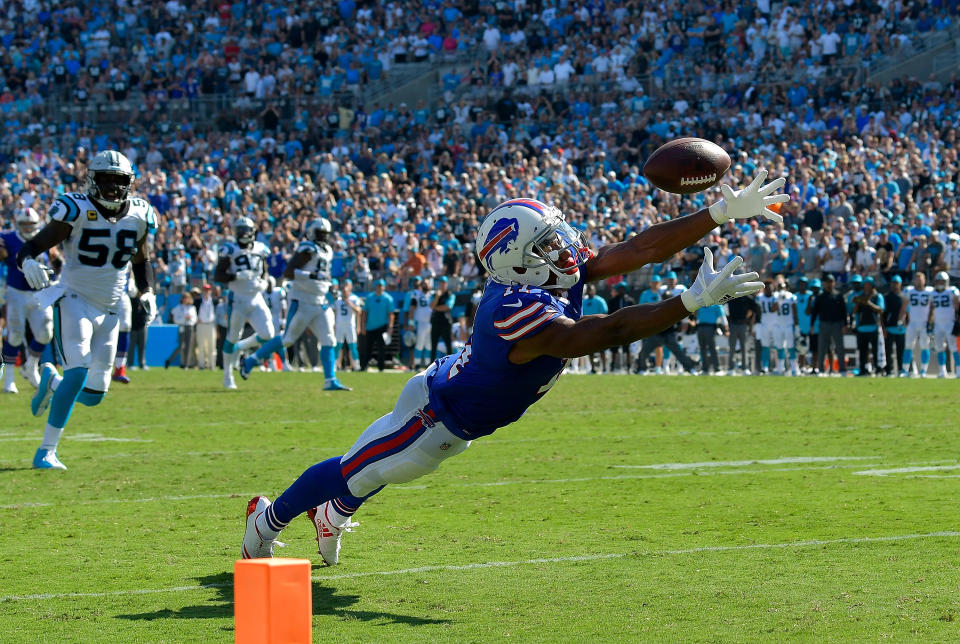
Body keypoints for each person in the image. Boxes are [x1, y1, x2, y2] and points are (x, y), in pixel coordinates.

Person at [241, 177, 786, 563]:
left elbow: (637, 248)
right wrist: (685, 304)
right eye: (548, 243)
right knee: (364, 468)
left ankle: (333, 514)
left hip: (452, 396)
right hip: (438, 417)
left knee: (373, 467)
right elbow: (601, 333)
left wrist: (716, 213)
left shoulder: (543, 275)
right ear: (520, 259)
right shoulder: (513, 307)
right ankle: (267, 520)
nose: (566, 248)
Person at [16, 150, 158, 470]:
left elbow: (142, 259)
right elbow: (35, 244)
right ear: (92, 180)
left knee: (93, 395)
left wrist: (147, 291)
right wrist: (26, 261)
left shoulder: (140, 214)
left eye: (118, 181)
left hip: (110, 310)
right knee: (78, 372)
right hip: (74, 299)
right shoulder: (75, 209)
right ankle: (46, 451)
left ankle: (50, 382)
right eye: (106, 179)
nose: (112, 187)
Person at [241, 218, 350, 390]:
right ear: (313, 233)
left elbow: (323, 275)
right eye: (320, 233)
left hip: (321, 301)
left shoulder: (328, 250)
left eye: (325, 234)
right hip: (303, 300)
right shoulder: (307, 248)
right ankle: (251, 360)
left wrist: (330, 287)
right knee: (288, 339)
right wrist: (310, 276)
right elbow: (289, 272)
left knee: (329, 340)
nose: (323, 237)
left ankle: (330, 380)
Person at [0, 207, 56, 393]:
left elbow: (56, 259)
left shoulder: (43, 237)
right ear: (18, 224)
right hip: (16, 291)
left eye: (30, 224)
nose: (27, 227)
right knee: (15, 335)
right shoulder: (8, 238)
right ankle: (9, 379)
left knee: (46, 332)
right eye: (24, 224)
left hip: (41, 292)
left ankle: (30, 366)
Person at [214, 216, 273, 389]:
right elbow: (218, 275)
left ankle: (241, 347)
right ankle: (227, 376)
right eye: (239, 230)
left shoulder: (261, 249)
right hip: (237, 298)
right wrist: (236, 276)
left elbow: (265, 271)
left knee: (268, 334)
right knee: (232, 336)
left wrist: (265, 281)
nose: (243, 233)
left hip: (256, 297)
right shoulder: (229, 249)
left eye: (245, 230)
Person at [809, 274, 847, 376]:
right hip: (824, 324)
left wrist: (845, 325)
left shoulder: (838, 295)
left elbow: (844, 311)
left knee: (839, 348)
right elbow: (815, 312)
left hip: (837, 324)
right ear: (825, 283)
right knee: (822, 347)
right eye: (827, 282)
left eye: (831, 281)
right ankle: (821, 370)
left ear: (834, 283)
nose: (829, 284)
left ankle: (842, 369)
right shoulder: (821, 297)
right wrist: (812, 325)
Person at [903, 272, 933, 377]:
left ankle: (924, 370)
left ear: (924, 280)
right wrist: (900, 320)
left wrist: (930, 322)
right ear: (914, 281)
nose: (918, 281)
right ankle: (905, 370)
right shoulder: (909, 291)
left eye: (920, 279)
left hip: (924, 323)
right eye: (917, 279)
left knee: (925, 346)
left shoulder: (930, 291)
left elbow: (932, 309)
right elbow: (904, 307)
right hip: (912, 323)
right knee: (908, 346)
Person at [930, 271, 960, 378]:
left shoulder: (952, 291)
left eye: (942, 281)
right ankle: (942, 371)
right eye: (938, 281)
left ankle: (958, 370)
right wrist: (930, 323)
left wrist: (957, 320)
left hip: (950, 323)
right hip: (938, 324)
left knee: (954, 347)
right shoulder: (932, 293)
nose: (940, 283)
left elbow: (957, 307)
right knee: (939, 348)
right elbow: (932, 310)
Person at [852, 277, 884, 376]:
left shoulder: (877, 296)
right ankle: (863, 369)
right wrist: (858, 302)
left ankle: (878, 369)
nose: (867, 287)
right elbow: (855, 312)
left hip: (873, 326)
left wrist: (868, 303)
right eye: (866, 284)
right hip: (862, 327)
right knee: (862, 350)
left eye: (869, 284)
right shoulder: (860, 296)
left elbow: (880, 309)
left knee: (875, 350)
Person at [360, 279, 395, 371]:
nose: (380, 288)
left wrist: (390, 327)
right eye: (378, 286)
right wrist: (363, 325)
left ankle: (381, 367)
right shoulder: (369, 297)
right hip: (370, 327)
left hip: (382, 327)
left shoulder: (388, 299)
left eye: (381, 286)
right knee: (367, 348)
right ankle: (364, 366)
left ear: (384, 287)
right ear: (376, 287)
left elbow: (391, 314)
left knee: (381, 349)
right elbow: (364, 312)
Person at [334, 279, 363, 371]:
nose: (344, 293)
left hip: (350, 325)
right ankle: (334, 365)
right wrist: (334, 325)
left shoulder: (354, 299)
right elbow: (334, 312)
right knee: (338, 346)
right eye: (343, 291)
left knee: (352, 346)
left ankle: (356, 365)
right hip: (339, 325)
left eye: (346, 291)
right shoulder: (338, 300)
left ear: (349, 291)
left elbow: (359, 311)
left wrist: (349, 303)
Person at [606, 281, 635, 373]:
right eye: (619, 288)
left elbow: (633, 314)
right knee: (614, 348)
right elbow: (609, 314)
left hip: (627, 327)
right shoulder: (612, 301)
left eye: (623, 288)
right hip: (616, 327)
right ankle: (612, 366)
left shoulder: (630, 300)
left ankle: (629, 366)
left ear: (625, 290)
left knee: (627, 348)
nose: (621, 290)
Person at [581, 283, 609, 373]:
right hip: (588, 329)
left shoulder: (600, 300)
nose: (590, 292)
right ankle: (593, 368)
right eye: (588, 290)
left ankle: (604, 368)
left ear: (595, 290)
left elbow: (605, 313)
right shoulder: (584, 302)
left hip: (599, 328)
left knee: (602, 349)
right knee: (590, 350)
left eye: (591, 290)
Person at [408, 278, 434, 369]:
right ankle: (417, 364)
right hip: (421, 322)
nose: (425, 285)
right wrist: (411, 322)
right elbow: (412, 309)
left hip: (431, 323)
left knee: (429, 344)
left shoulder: (432, 295)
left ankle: (428, 365)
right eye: (424, 284)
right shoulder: (417, 294)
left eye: (427, 284)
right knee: (419, 344)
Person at [883, 275, 906, 376]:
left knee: (901, 351)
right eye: (893, 283)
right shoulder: (886, 297)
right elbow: (882, 314)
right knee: (888, 351)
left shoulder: (904, 297)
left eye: (897, 283)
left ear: (900, 284)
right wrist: (883, 327)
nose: (895, 285)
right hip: (889, 328)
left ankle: (901, 370)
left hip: (901, 329)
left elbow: (906, 312)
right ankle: (889, 370)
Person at [430, 276, 455, 362]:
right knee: (433, 345)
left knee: (448, 344)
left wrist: (435, 307)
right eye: (441, 283)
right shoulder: (435, 294)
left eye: (444, 283)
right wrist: (437, 297)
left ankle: (450, 364)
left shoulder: (450, 294)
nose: (442, 285)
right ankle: (431, 364)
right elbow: (431, 306)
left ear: (447, 284)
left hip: (446, 322)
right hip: (435, 322)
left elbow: (447, 306)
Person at [196, 284, 218, 369]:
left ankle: (212, 365)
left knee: (212, 346)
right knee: (200, 346)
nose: (206, 292)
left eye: (208, 290)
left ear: (210, 291)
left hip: (211, 325)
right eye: (205, 290)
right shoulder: (197, 301)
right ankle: (201, 365)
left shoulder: (215, 301)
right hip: (201, 325)